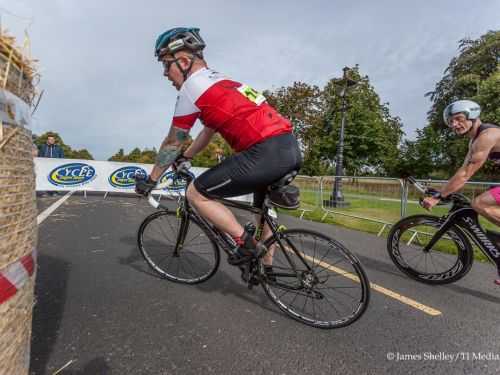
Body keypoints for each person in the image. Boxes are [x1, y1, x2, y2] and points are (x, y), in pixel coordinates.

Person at [135, 27, 302, 271]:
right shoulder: (224, 82)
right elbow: (208, 131)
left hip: (264, 151)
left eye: (166, 64)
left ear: (183, 61)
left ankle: (245, 245)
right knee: (262, 213)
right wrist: (186, 156)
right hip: (288, 147)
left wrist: (151, 180)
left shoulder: (192, 87)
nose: (164, 74)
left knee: (196, 193)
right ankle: (266, 269)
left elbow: (174, 140)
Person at [421, 100, 500, 282]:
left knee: (480, 203)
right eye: (451, 122)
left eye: (458, 119)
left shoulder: (487, 136)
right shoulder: (474, 140)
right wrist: (441, 191)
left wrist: (439, 197)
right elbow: (462, 170)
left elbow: (466, 174)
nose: (455, 125)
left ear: (472, 116)